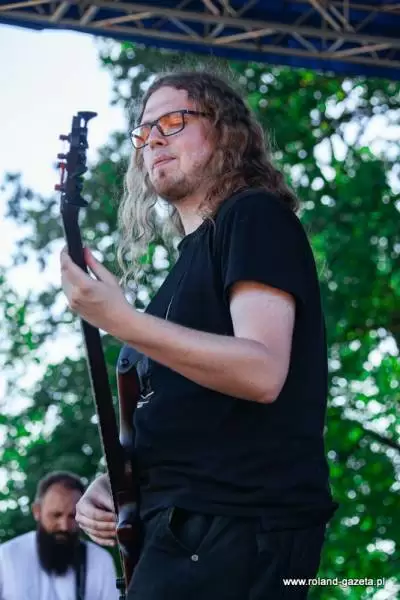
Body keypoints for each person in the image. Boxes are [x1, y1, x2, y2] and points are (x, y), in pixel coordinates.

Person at [60, 69, 338, 599]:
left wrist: (121, 320)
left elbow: (261, 371)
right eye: (145, 131)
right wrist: (118, 484)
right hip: (182, 530)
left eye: (173, 121)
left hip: (236, 525)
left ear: (225, 131)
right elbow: (187, 414)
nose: (153, 140)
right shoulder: (183, 269)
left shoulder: (253, 216)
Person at [0, 471, 119, 600]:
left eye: (72, 516)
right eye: (56, 515)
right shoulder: (5, 557)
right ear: (37, 511)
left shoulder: (100, 560)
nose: (64, 526)